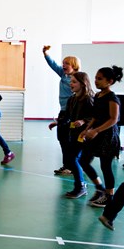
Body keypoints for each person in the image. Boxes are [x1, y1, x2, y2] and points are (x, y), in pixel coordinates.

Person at [79, 66, 122, 208]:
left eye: (100, 79)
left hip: (108, 136)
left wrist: (96, 130)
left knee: (106, 166)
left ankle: (109, 196)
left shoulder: (112, 98)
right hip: (95, 133)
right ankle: (100, 188)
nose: (96, 81)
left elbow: (113, 119)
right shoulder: (97, 96)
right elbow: (95, 116)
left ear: (110, 81)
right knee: (84, 161)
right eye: (96, 78)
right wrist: (86, 129)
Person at [50, 72, 94, 199]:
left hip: (85, 135)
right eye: (71, 81)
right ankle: (80, 185)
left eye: (74, 82)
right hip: (74, 134)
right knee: (71, 159)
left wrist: (83, 121)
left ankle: (81, 186)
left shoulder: (89, 99)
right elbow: (67, 116)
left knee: (74, 159)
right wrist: (57, 123)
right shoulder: (72, 99)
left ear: (83, 83)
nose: (71, 84)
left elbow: (94, 117)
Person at [43, 46, 81, 175]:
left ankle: (72, 165)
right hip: (63, 111)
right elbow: (52, 64)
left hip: (72, 113)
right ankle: (68, 165)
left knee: (69, 140)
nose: (63, 65)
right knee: (63, 139)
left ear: (74, 66)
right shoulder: (63, 75)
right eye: (63, 63)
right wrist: (45, 53)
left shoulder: (77, 79)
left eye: (67, 64)